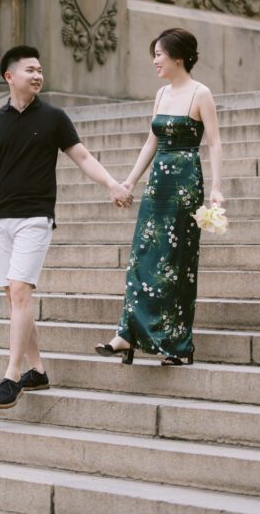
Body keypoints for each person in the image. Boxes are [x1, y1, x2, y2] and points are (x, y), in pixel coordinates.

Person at [0, 44, 132, 409]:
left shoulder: (53, 117)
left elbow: (82, 156)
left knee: (20, 290)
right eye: (30, 70)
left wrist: (112, 183)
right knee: (14, 297)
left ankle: (12, 375)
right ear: (10, 76)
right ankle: (38, 370)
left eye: (40, 70)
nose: (38, 75)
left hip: (35, 217)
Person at [95, 27, 224, 366]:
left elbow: (214, 143)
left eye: (159, 55)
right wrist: (130, 181)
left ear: (177, 58)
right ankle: (127, 333)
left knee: (175, 262)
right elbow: (151, 141)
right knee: (143, 255)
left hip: (185, 184)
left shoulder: (201, 93)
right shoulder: (161, 94)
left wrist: (216, 187)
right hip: (158, 184)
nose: (154, 61)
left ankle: (177, 344)